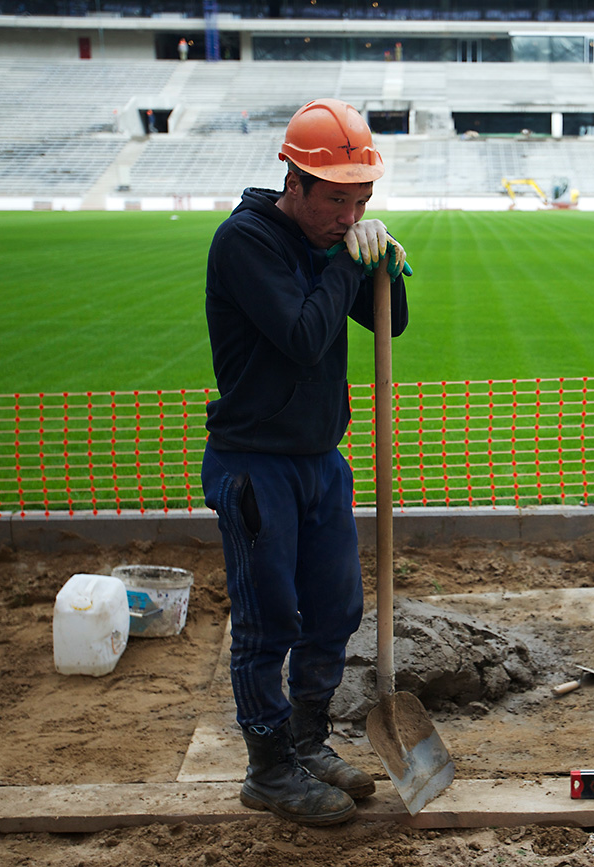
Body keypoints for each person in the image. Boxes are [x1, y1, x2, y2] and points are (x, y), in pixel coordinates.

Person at [201, 98, 410, 826]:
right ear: (294, 183)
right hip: (256, 465)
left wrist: (384, 266)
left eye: (364, 201)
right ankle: (268, 771)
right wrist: (346, 264)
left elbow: (392, 318)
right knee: (270, 620)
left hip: (321, 460)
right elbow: (302, 334)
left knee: (334, 608)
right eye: (337, 201)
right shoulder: (245, 241)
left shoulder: (333, 240)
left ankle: (306, 742)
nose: (349, 215)